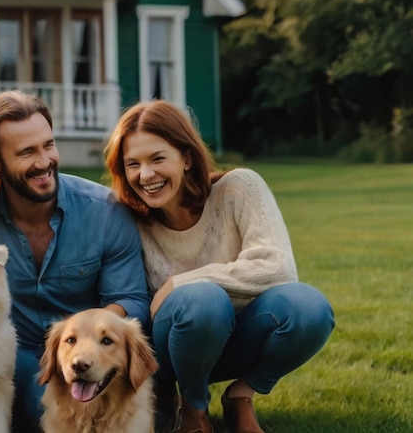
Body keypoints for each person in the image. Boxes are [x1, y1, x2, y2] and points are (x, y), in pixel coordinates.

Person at [104, 99, 335, 433]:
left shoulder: (240, 188)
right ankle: (192, 407)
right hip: (168, 350)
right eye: (132, 164)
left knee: (310, 309)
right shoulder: (126, 219)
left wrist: (178, 283)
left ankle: (241, 395)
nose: (146, 174)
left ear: (185, 157)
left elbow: (277, 267)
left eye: (157, 158)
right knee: (203, 302)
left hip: (237, 336)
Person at [0, 90, 151, 432]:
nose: (44, 161)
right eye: (27, 152)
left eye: (48, 145)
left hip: (84, 356)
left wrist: (83, 338)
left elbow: (132, 300)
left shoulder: (105, 212)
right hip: (5, 355)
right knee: (39, 408)